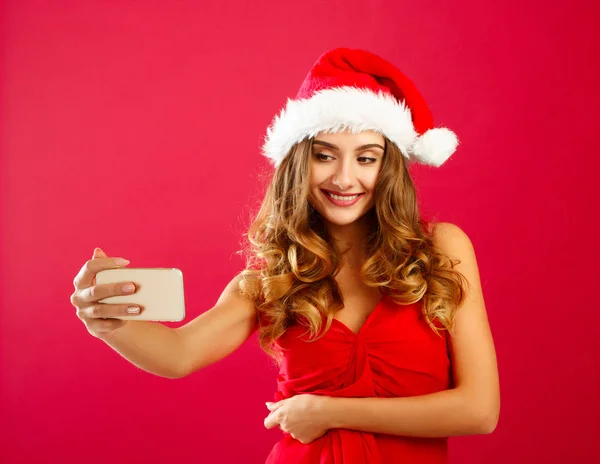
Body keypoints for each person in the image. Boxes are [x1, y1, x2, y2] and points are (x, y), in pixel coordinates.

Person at [70, 48, 500, 463]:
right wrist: (108, 323)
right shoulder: (270, 279)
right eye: (323, 156)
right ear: (297, 162)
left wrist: (328, 412)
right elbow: (177, 354)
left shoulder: (441, 248)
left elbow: (479, 410)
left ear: (387, 170)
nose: (345, 178)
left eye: (366, 158)